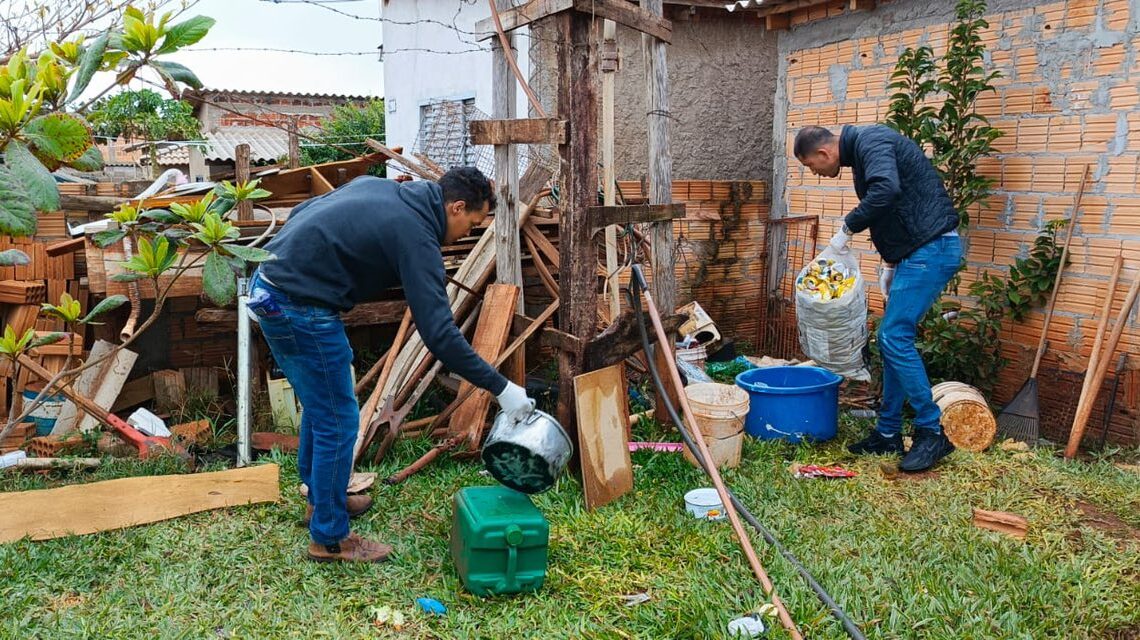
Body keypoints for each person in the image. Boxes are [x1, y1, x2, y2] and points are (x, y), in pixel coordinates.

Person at [249, 166, 536, 562]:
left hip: (271, 285)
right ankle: (330, 539)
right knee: (338, 420)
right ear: (456, 207)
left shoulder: (387, 190)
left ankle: (322, 502)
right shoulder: (417, 237)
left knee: (324, 404)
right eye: (471, 224)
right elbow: (440, 335)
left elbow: (305, 211)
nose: (467, 234)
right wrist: (501, 387)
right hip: (299, 306)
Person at [793, 124, 961, 473]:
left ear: (824, 153)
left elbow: (886, 189)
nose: (815, 173)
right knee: (892, 341)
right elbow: (892, 209)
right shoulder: (862, 153)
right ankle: (887, 433)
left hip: (932, 249)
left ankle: (931, 432)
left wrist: (846, 228)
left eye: (811, 166)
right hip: (915, 253)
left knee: (893, 336)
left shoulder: (872, 141)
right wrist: (890, 263)